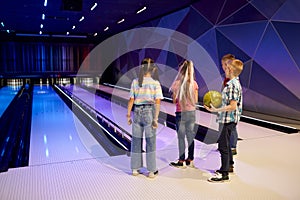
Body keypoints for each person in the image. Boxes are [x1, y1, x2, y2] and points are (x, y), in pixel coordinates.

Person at [205, 59, 243, 182]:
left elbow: (232, 106)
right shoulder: (233, 83)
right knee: (225, 144)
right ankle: (227, 167)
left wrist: (216, 110)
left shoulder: (232, 85)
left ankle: (224, 173)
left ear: (230, 70)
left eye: (226, 68)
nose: (224, 70)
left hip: (228, 120)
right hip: (228, 119)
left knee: (223, 145)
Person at [127, 58, 163, 178]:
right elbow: (157, 102)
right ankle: (152, 171)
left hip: (137, 112)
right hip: (149, 112)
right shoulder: (155, 83)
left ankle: (135, 169)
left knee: (136, 141)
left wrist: (128, 115)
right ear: (153, 69)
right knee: (151, 142)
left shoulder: (135, 81)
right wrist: (156, 119)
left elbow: (131, 99)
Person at [169, 60, 199, 168]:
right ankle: (190, 159)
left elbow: (174, 101)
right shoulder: (194, 84)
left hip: (180, 113)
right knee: (190, 136)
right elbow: (195, 101)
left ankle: (181, 161)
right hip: (191, 113)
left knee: (181, 137)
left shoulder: (176, 84)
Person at [221, 54, 239, 156]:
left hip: (231, 107)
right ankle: (228, 145)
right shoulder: (228, 77)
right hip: (228, 107)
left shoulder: (233, 79)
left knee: (232, 127)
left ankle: (232, 146)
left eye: (223, 64)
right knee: (229, 127)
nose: (223, 67)